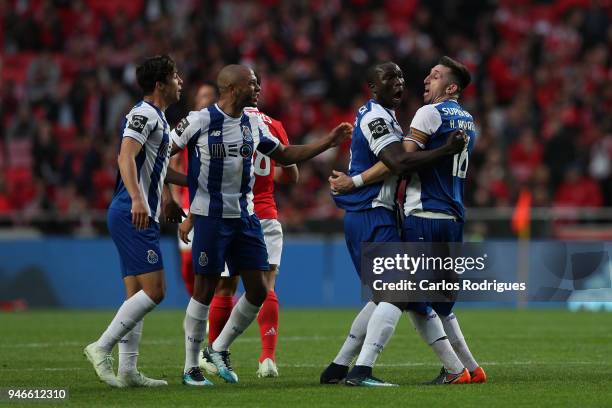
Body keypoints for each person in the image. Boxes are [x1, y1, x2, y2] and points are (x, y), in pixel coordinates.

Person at [170, 64, 352, 386]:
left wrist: (328, 142)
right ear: (232, 88)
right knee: (204, 290)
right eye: (252, 83)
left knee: (257, 290)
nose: (258, 88)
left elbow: (284, 154)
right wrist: (171, 196)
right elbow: (160, 155)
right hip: (210, 218)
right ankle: (190, 368)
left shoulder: (253, 122)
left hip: (246, 217)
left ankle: (218, 348)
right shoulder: (199, 120)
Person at [329, 56, 486, 385]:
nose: (417, 81)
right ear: (372, 87)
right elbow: (397, 161)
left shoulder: (414, 115)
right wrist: (355, 183)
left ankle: (351, 368)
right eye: (391, 78)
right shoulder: (465, 119)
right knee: (409, 294)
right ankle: (464, 368)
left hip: (410, 214)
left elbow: (398, 162)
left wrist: (354, 181)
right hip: (413, 214)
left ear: (451, 86)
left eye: (434, 76)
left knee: (399, 294)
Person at [84, 55, 187, 388]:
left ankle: (128, 371)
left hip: (137, 211)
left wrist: (192, 184)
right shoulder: (143, 114)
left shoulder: (159, 118)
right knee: (155, 292)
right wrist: (139, 199)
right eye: (174, 76)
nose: (179, 81)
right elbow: (125, 155)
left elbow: (157, 168)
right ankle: (101, 347)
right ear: (160, 84)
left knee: (135, 297)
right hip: (133, 211)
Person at [199, 74, 299, 379]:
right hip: (266, 213)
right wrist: (269, 180)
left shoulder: (227, 120)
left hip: (231, 211)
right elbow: (291, 175)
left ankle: (216, 352)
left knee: (224, 286)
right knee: (267, 286)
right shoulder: (273, 124)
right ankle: (267, 358)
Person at [170, 81, 219, 296]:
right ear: (196, 101)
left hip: (215, 204)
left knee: (212, 261)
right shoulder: (188, 126)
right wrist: (173, 198)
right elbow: (173, 164)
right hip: (188, 202)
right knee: (188, 262)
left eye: (210, 95)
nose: (207, 99)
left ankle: (212, 307)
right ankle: (197, 306)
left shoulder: (222, 127)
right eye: (203, 95)